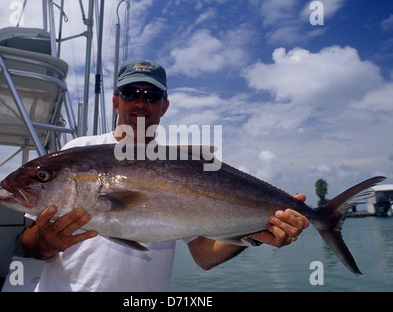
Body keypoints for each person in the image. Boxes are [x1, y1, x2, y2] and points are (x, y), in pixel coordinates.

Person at [21, 59, 309, 291]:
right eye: (131, 93)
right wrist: (46, 241)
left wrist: (260, 233)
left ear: (164, 106)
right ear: (116, 101)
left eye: (152, 95)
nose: (141, 102)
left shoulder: (184, 168)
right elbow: (29, 244)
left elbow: (204, 255)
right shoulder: (77, 151)